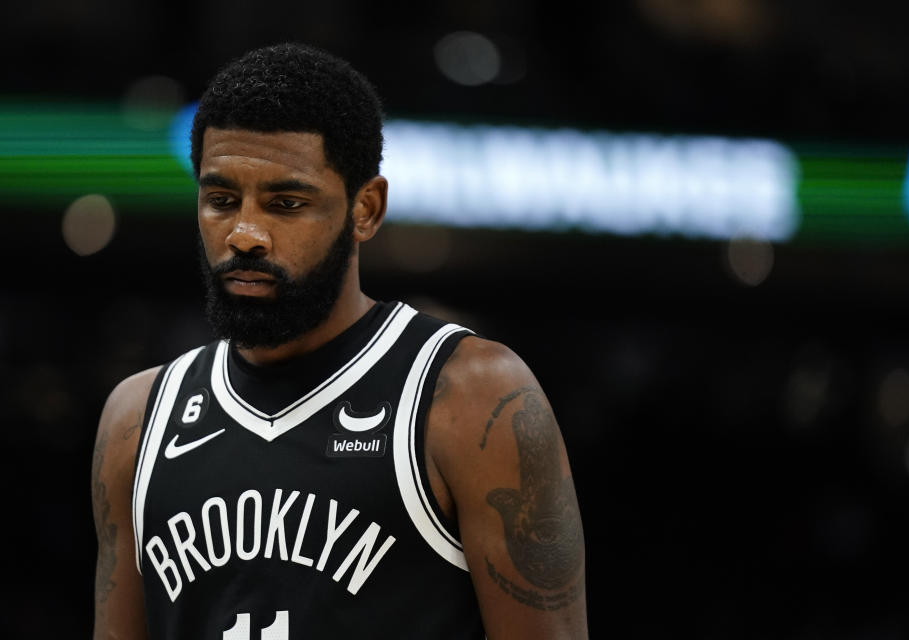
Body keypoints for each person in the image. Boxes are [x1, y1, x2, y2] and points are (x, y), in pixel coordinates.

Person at [91, 43, 587, 639]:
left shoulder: (471, 395)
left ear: (366, 209)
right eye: (221, 200)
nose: (245, 233)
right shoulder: (137, 419)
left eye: (286, 204)